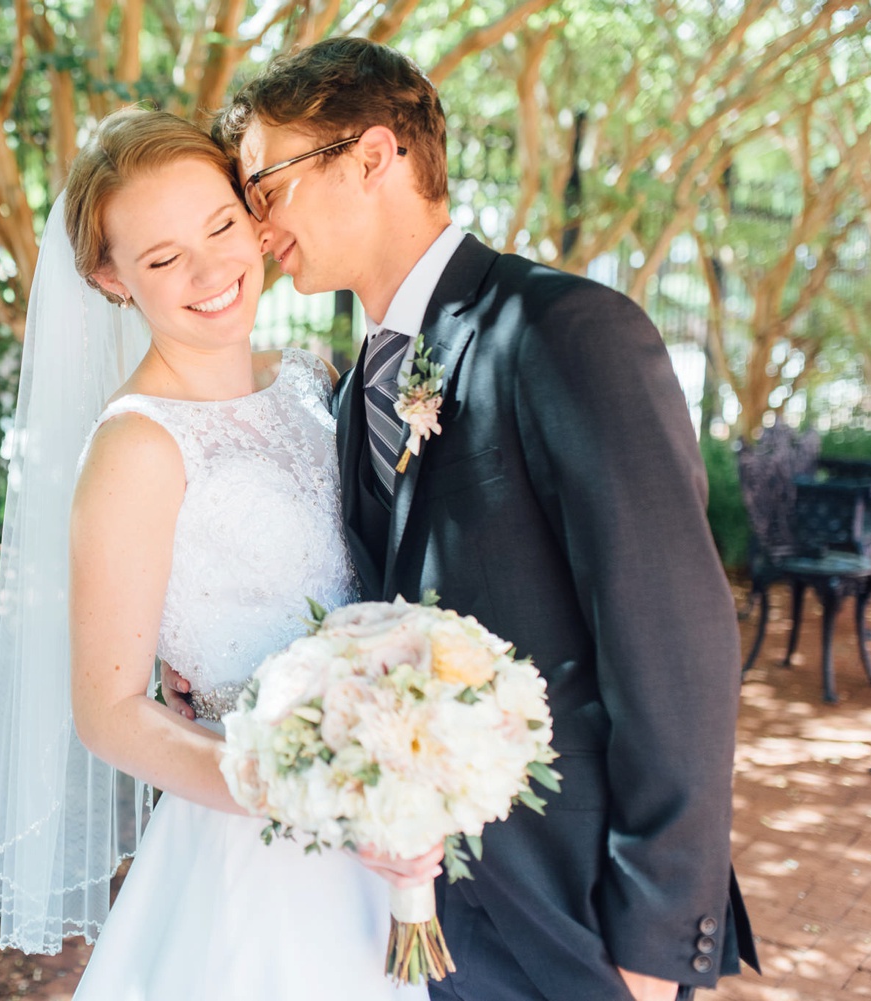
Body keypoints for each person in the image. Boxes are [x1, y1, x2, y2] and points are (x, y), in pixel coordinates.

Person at [163, 35, 757, 1001]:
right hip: (401, 914)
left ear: (371, 154)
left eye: (264, 184)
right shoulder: (350, 390)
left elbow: (675, 646)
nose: (254, 224)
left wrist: (654, 943)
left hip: (574, 916)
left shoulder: (564, 331)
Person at [0, 108, 433, 999]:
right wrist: (293, 786)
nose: (210, 268)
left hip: (381, 817)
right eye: (160, 257)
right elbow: (108, 711)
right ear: (111, 280)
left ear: (255, 217)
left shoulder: (309, 379)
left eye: (220, 225)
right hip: (254, 847)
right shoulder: (137, 447)